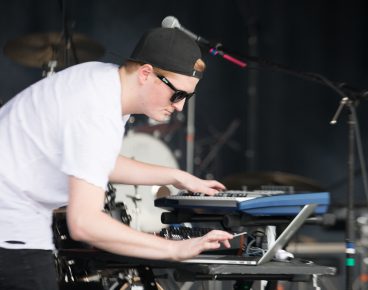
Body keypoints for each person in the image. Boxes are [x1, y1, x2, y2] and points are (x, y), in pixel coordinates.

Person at [0, 27, 234, 290]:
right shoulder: (96, 109)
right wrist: (175, 249)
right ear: (146, 73)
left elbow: (94, 159)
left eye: (188, 97)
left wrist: (177, 176)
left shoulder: (103, 83)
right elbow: (84, 224)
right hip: (10, 220)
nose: (180, 106)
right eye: (177, 94)